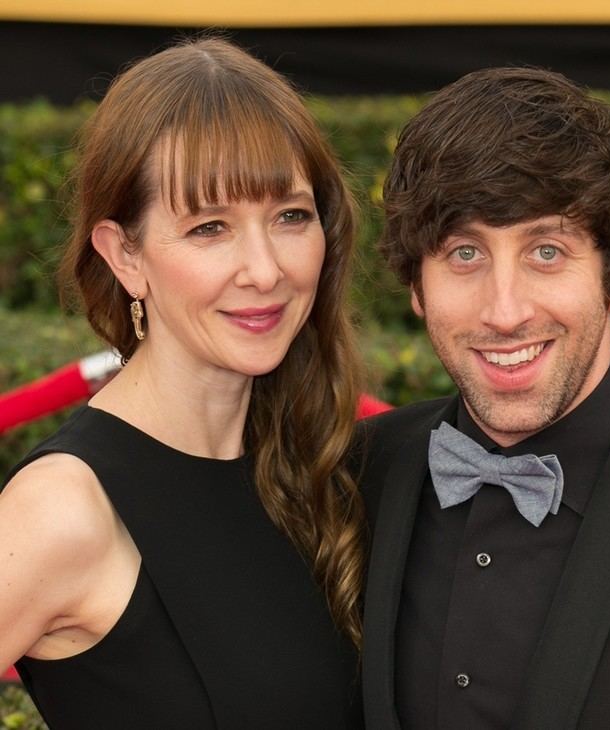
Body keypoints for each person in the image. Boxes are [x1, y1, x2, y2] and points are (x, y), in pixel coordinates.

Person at [359, 67, 610, 729]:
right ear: (416, 287)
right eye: (463, 254)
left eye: (546, 250)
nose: (504, 311)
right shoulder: (355, 477)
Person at [0, 38, 365, 729]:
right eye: (209, 228)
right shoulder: (64, 510)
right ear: (125, 255)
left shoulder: (321, 461)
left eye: (290, 216)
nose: (264, 269)